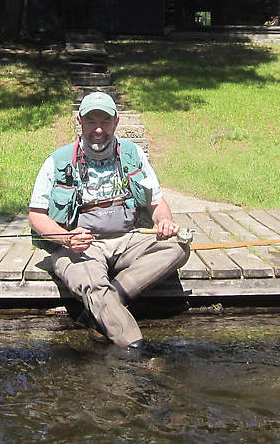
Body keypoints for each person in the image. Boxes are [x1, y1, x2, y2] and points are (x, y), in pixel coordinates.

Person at [28, 91, 188, 351]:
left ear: (116, 122)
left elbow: (156, 202)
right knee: (92, 282)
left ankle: (102, 305)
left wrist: (164, 221)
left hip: (128, 239)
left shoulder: (132, 154)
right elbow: (36, 216)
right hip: (79, 246)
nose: (98, 129)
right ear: (79, 122)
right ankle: (136, 350)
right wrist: (66, 238)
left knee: (178, 247)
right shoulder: (56, 161)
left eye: (105, 121)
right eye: (91, 121)